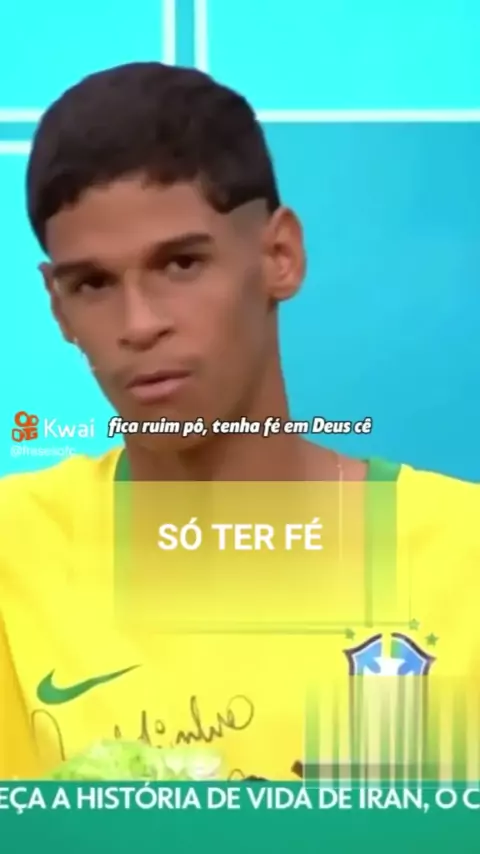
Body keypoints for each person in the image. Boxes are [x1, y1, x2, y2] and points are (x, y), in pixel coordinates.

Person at [1, 62, 479, 782]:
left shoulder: (466, 560)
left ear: (280, 256)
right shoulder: (13, 555)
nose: (140, 323)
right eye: (93, 283)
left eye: (181, 265)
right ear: (58, 306)